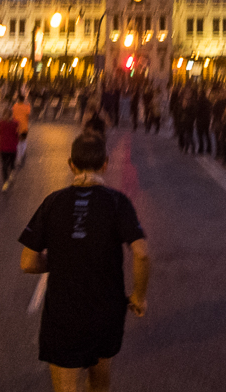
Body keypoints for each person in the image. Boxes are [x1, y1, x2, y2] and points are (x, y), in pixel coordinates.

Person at [20, 134, 149, 392]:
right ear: (105, 164)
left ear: (71, 164)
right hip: (106, 311)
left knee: (65, 385)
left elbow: (27, 262)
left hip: (63, 314)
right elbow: (142, 253)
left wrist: (58, 260)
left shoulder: (53, 202)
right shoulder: (118, 202)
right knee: (100, 377)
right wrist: (138, 296)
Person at [0, 106, 20, 191]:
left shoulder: (15, 123)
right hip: (3, 148)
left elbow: (17, 134)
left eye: (7, 115)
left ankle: (12, 172)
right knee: (4, 166)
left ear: (10, 115)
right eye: (4, 115)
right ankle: (5, 182)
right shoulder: (1, 123)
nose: (5, 117)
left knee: (11, 164)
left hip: (12, 148)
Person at [12, 94, 32, 167]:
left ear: (18, 99)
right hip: (24, 126)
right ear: (24, 100)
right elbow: (28, 115)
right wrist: (28, 104)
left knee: (17, 142)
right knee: (23, 141)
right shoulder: (26, 107)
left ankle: (18, 158)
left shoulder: (15, 106)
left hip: (16, 127)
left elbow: (13, 116)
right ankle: (22, 154)